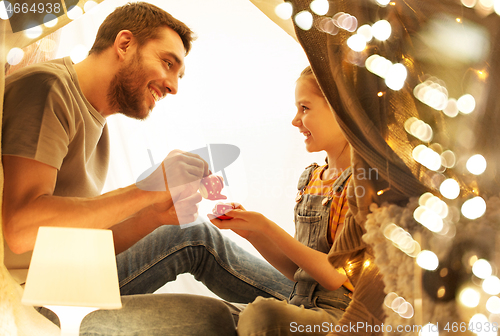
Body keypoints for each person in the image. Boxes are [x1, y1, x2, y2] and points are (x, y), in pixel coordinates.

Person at [2, 2, 236, 335]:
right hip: (30, 297)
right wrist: (145, 189)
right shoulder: (48, 88)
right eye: (168, 63)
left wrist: (153, 214)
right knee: (216, 318)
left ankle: (310, 307)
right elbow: (21, 230)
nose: (173, 86)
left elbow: (75, 240)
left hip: (59, 278)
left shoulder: (96, 120)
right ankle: (316, 311)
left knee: (189, 233)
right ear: (124, 45)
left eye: (178, 74)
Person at [111, 66, 354, 335]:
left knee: (261, 314)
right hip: (301, 303)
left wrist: (264, 226)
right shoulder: (312, 177)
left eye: (305, 108)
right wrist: (251, 232)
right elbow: (300, 272)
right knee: (209, 316)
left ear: (340, 109)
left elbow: (335, 277)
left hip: (341, 316)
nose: (295, 120)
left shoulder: (363, 186)